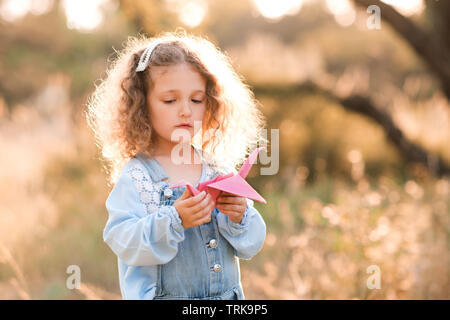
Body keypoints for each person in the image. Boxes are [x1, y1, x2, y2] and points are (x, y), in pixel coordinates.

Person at [85, 30, 267, 300]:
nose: (185, 110)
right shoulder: (138, 177)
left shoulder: (217, 168)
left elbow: (251, 245)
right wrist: (174, 220)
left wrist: (240, 216)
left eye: (196, 99)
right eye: (170, 100)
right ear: (141, 105)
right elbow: (123, 240)